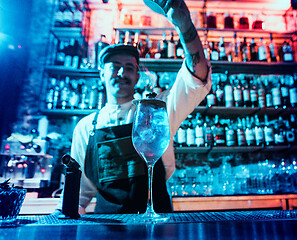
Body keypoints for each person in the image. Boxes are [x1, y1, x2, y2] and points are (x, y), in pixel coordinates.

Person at [55, 0, 212, 214]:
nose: (122, 73)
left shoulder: (157, 111)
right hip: (105, 229)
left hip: (157, 224)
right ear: (101, 74)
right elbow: (79, 196)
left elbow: (197, 76)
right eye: (115, 66)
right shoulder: (85, 127)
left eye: (129, 67)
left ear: (137, 76)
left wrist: (185, 26)